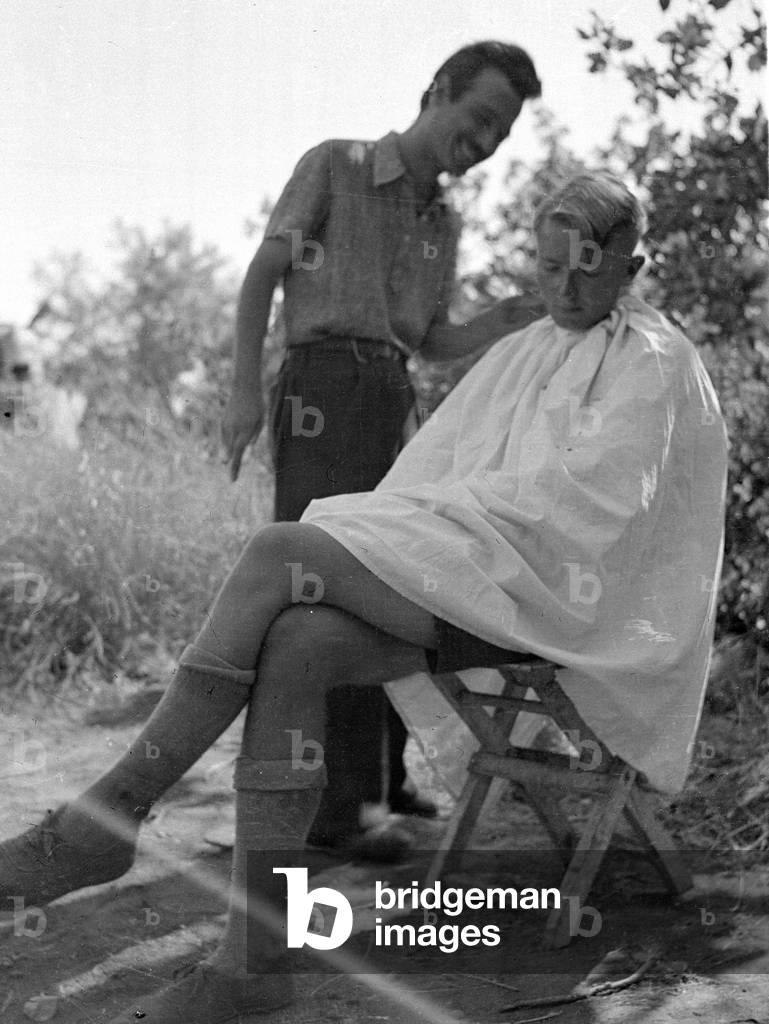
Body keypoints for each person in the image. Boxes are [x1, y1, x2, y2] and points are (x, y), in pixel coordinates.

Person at [0, 174, 727, 1023]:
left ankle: (108, 816)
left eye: (588, 273)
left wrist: (441, 536)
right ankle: (254, 960)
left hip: (559, 601)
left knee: (281, 549)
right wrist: (422, 531)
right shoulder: (526, 346)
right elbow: (442, 472)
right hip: (482, 575)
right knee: (300, 643)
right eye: (548, 267)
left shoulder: (654, 359)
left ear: (633, 266)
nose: (562, 290)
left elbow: (598, 515)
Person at [220, 42, 544, 845]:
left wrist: (513, 314)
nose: (487, 142)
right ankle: (330, 815)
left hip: (394, 400)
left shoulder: (445, 220)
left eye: (501, 133)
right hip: (321, 390)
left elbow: (430, 337)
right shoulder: (336, 164)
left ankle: (385, 786)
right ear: (436, 90)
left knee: (403, 581)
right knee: (320, 591)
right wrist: (238, 390)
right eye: (479, 118)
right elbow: (262, 276)